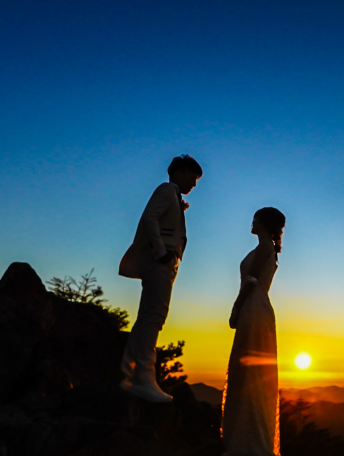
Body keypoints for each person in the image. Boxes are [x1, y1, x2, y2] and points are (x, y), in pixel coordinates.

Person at [118, 154, 202, 403]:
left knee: (148, 316)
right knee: (154, 316)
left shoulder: (173, 195)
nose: (194, 184)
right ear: (179, 172)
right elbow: (149, 218)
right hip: (160, 261)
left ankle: (129, 375)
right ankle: (143, 379)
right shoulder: (167, 189)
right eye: (193, 177)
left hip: (163, 261)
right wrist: (161, 251)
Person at [222, 207, 286, 455]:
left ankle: (250, 442)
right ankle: (242, 436)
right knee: (246, 371)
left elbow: (252, 281)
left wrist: (236, 307)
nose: (252, 222)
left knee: (251, 373)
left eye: (256, 219)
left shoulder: (265, 247)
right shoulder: (265, 247)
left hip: (254, 308)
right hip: (256, 309)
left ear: (265, 223)